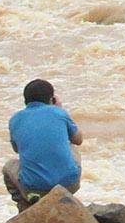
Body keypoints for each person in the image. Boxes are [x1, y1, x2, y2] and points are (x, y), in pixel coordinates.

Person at [5, 79, 82, 208]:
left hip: (34, 189)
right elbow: (78, 140)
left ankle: (25, 206)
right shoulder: (59, 113)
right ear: (52, 99)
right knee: (71, 146)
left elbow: (17, 149)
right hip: (69, 185)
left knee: (8, 167)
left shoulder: (15, 119)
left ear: (25, 101)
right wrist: (59, 109)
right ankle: (66, 201)